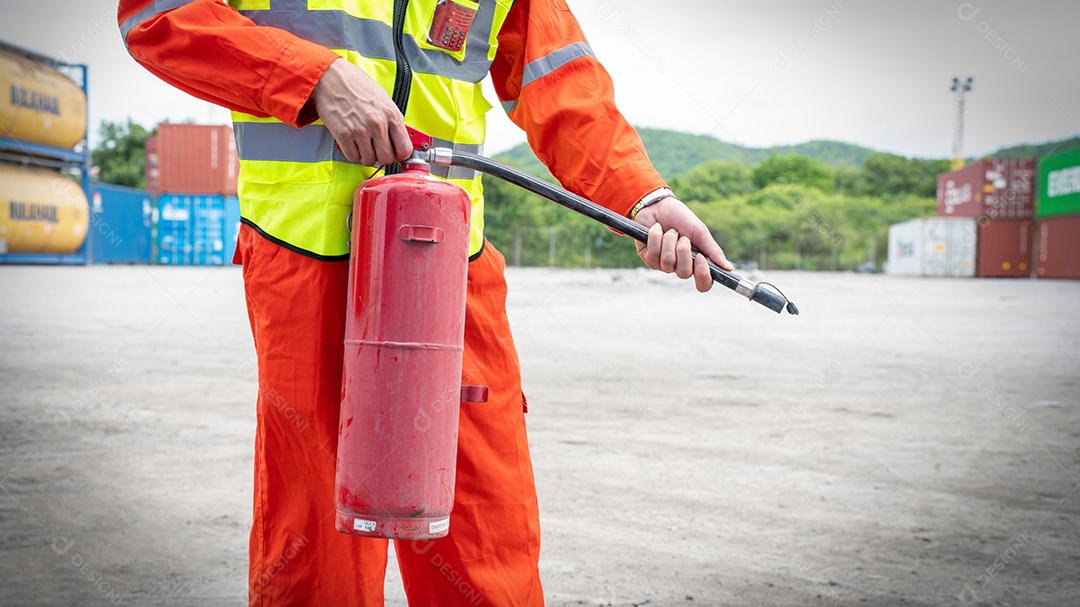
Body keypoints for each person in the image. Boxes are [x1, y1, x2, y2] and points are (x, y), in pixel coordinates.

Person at [119, 0, 732, 604]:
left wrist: (642, 196)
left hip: (448, 262)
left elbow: (559, 80)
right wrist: (312, 78)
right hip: (303, 253)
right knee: (316, 535)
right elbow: (157, 14)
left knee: (482, 529)